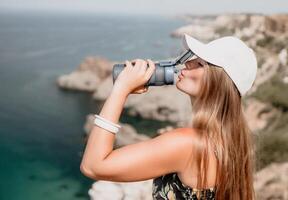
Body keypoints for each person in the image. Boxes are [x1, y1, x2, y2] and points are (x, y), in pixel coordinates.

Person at [80, 34, 258, 200]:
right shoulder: (231, 142)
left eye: (201, 64)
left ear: (218, 83)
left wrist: (120, 90)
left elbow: (93, 166)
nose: (189, 62)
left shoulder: (188, 144)